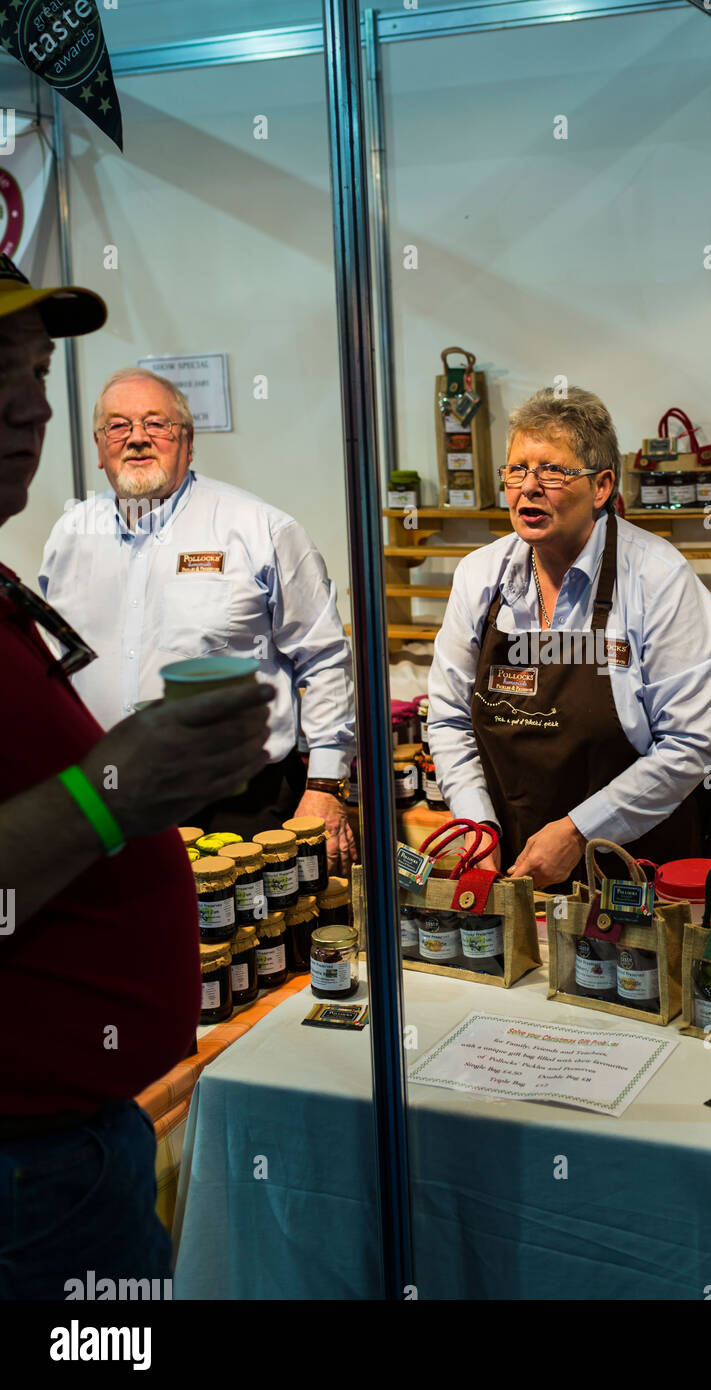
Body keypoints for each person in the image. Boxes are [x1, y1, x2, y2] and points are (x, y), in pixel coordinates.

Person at [0, 254, 271, 1298]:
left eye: (35, 370)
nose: (29, 406)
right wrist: (108, 791)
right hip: (26, 1178)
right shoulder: (69, 530)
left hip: (64, 1150)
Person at [39, 366, 358, 872]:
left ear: (187, 443)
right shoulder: (69, 537)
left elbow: (323, 660)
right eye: (118, 426)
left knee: (253, 945)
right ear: (99, 450)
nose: (138, 438)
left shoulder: (259, 529)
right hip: (104, 799)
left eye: (157, 424)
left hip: (239, 806)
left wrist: (324, 786)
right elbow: (51, 666)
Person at [427, 386, 711, 890]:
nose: (529, 487)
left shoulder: (659, 578)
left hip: (635, 869)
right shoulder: (479, 576)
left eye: (553, 471)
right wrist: (479, 826)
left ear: (602, 486)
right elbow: (450, 719)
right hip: (512, 862)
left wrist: (577, 831)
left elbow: (689, 746)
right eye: (517, 470)